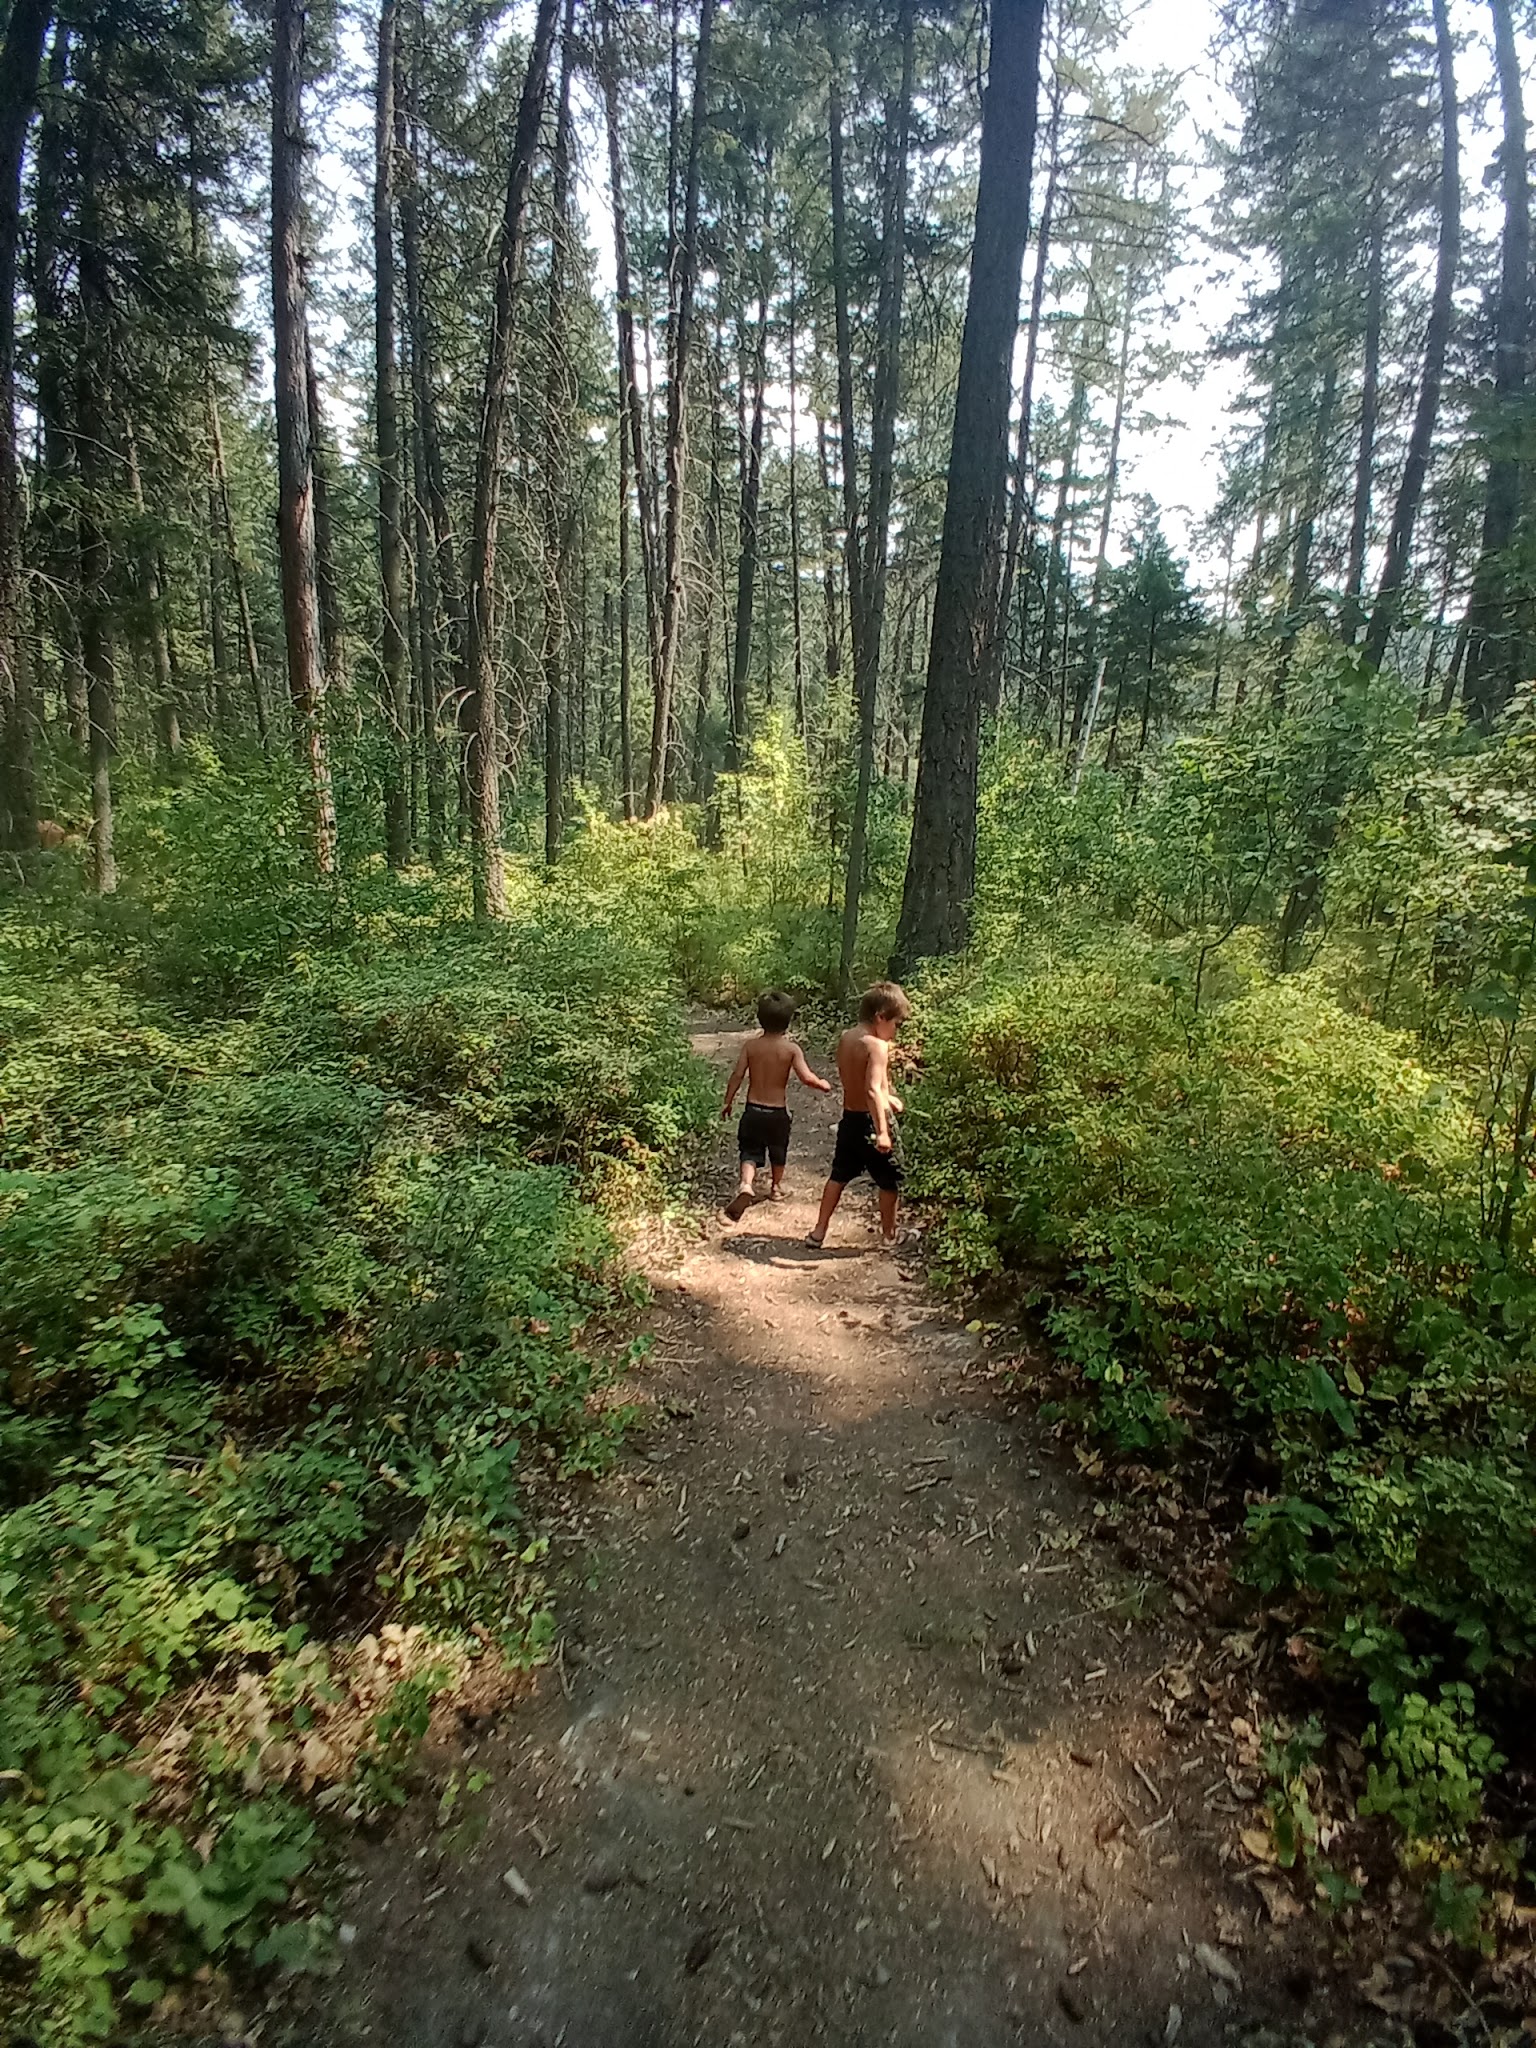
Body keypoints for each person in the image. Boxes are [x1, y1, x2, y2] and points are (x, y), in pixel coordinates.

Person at [807, 980, 911, 1249]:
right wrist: (883, 1132)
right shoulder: (877, 1046)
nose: (895, 1032)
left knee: (838, 1176)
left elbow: (858, 1080)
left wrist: (889, 1096)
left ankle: (819, 1231)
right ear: (880, 1016)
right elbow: (873, 1090)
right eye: (896, 1024)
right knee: (889, 1181)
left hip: (849, 1120)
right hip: (871, 1121)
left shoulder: (847, 1037)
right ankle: (889, 1235)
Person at [721, 989, 831, 1219]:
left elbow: (737, 1075)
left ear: (760, 1018)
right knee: (778, 1151)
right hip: (777, 1112)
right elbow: (805, 1077)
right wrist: (822, 1084)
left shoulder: (751, 1046)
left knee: (749, 1150)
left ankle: (745, 1184)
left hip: (753, 1110)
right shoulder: (791, 1049)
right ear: (789, 1021)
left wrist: (728, 1101)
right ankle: (776, 1188)